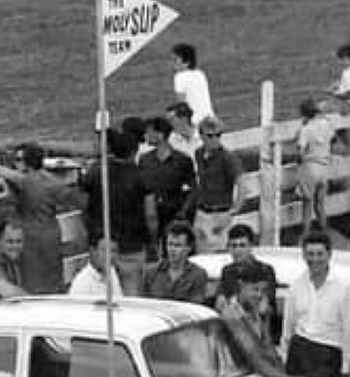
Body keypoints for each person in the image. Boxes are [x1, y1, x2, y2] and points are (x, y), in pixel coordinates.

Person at [281, 231, 350, 377]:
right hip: (298, 354)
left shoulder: (344, 289)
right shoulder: (296, 286)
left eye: (319, 254)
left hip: (328, 356)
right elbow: (288, 326)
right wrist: (284, 358)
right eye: (310, 254)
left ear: (329, 254)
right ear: (303, 256)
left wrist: (345, 369)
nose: (314, 259)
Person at [0, 142, 69, 295]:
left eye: (19, 159)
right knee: (53, 278)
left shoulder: (26, 180)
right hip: (51, 232)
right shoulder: (52, 181)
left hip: (31, 235)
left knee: (33, 282)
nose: (16, 163)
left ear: (26, 162)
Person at [83, 129, 155, 296]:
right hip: (133, 247)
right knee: (132, 296)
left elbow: (83, 204)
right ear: (133, 151)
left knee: (101, 292)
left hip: (101, 244)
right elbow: (150, 214)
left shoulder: (95, 172)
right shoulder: (141, 176)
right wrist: (152, 239)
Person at [221, 262, 304, 377]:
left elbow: (269, 349)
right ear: (241, 285)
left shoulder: (256, 311)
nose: (259, 295)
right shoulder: (232, 314)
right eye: (255, 289)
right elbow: (254, 357)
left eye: (263, 290)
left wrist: (282, 373)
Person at [138, 116, 198, 252]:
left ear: (160, 135)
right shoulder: (145, 160)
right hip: (152, 214)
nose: (146, 136)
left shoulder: (182, 160)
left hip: (174, 214)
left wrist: (183, 213)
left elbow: (193, 189)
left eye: (149, 132)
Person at [192, 116, 245, 252]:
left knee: (218, 254)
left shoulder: (228, 158)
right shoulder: (199, 153)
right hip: (202, 211)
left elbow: (242, 185)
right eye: (210, 136)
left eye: (218, 135)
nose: (214, 139)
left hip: (219, 212)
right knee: (200, 253)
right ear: (202, 136)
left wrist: (234, 210)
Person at [141, 220, 210, 304]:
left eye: (178, 245)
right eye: (170, 244)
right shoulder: (150, 273)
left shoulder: (198, 274)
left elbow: (195, 308)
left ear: (189, 248)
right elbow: (144, 304)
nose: (172, 249)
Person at [294, 98, 334, 231]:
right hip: (324, 167)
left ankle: (305, 235)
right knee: (320, 205)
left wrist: (299, 161)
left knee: (307, 205)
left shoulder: (306, 129)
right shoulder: (326, 124)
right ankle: (325, 232)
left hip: (310, 167)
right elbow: (332, 137)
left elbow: (300, 150)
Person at [171, 42, 216, 126]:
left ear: (187, 62)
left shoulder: (179, 77)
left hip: (194, 122)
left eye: (175, 60)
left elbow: (181, 103)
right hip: (210, 118)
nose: (173, 63)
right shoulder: (200, 74)